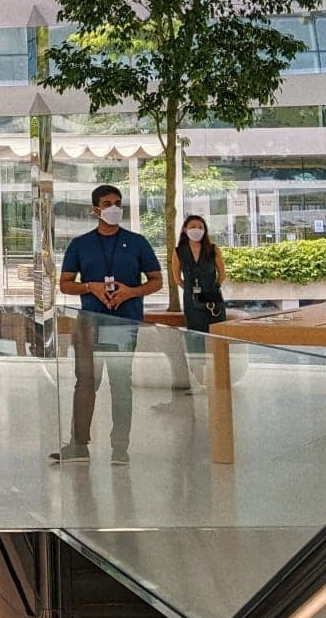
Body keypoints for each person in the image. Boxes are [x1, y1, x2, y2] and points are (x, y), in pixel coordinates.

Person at [53, 183, 162, 467]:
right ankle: (79, 444)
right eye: (107, 203)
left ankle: (120, 447)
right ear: (95, 210)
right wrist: (91, 287)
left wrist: (131, 291)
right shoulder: (80, 245)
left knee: (121, 384)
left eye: (117, 203)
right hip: (89, 323)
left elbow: (156, 280)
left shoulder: (137, 242)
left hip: (124, 323)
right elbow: (65, 284)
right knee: (85, 383)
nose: (114, 208)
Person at [169, 213, 227, 386]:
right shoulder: (179, 251)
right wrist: (188, 289)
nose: (196, 230)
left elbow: (222, 274)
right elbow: (177, 277)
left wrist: (213, 287)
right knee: (195, 335)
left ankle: (218, 377)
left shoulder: (212, 249)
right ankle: (200, 381)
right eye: (192, 227)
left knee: (215, 332)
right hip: (191, 297)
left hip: (211, 294)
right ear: (185, 230)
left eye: (200, 227)